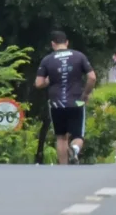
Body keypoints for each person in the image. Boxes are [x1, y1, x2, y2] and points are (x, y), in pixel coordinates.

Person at [35, 30, 96, 165]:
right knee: (78, 136)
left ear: (53, 44)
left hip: (56, 104)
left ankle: (63, 168)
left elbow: (38, 83)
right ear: (67, 42)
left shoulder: (47, 59)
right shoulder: (79, 56)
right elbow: (92, 77)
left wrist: (49, 81)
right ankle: (75, 148)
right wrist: (85, 93)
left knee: (61, 137)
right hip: (76, 102)